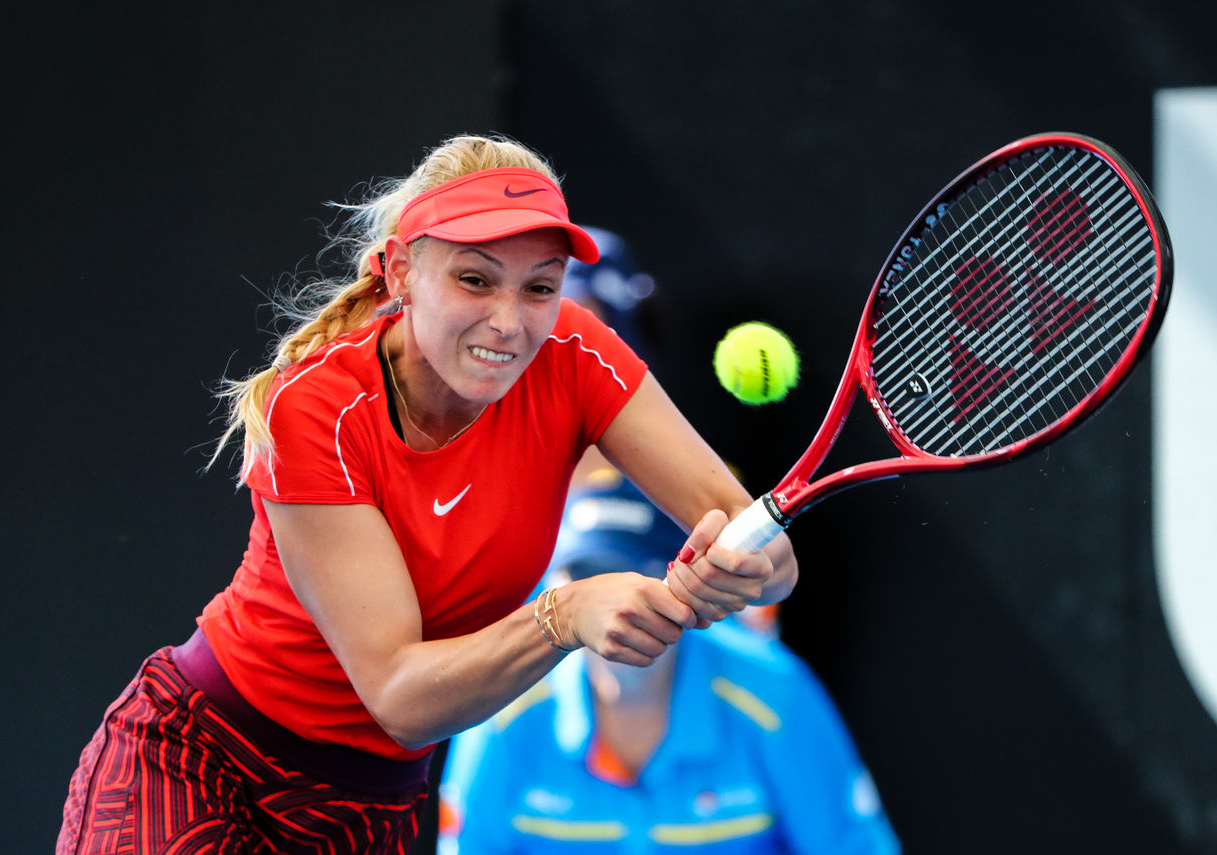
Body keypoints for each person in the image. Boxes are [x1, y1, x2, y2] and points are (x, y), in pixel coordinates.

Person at [56, 134, 797, 855]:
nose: (509, 321)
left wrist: (740, 568)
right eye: (474, 278)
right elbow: (401, 697)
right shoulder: (316, 405)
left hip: (371, 810)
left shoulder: (577, 352)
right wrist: (564, 613)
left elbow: (765, 548)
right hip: (205, 764)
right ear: (402, 271)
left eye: (540, 285)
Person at [437, 470, 899, 854]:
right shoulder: (503, 714)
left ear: (689, 584)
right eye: (583, 580)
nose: (607, 606)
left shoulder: (777, 698)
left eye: (630, 576)